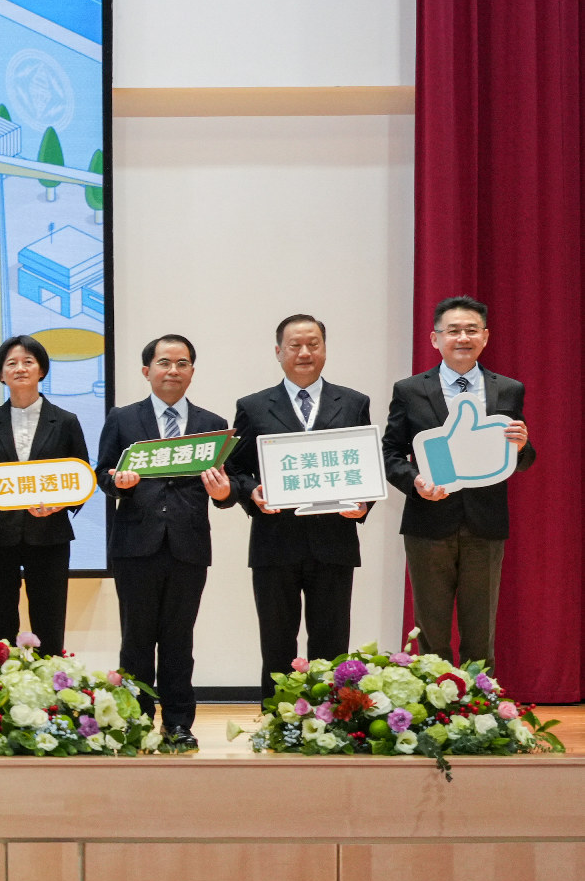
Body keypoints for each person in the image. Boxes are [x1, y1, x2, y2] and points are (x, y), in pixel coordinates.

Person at [94, 334, 236, 748]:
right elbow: (103, 472)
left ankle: (178, 723)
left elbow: (226, 488)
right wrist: (116, 483)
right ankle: (135, 720)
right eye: (164, 362)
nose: (172, 370)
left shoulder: (212, 424)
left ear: (192, 371)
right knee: (136, 639)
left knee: (179, 640)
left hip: (188, 546)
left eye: (182, 363)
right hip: (135, 546)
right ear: (146, 371)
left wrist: (224, 493)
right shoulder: (123, 418)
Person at [383, 294, 534, 666]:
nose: (462, 338)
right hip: (427, 521)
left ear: (485, 336)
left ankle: (479, 715)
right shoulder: (410, 390)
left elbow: (522, 460)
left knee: (480, 630)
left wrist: (522, 446)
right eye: (453, 331)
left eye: (471, 330)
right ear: (435, 339)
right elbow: (390, 453)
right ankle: (434, 713)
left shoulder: (509, 389)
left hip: (485, 523)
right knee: (431, 630)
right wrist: (415, 480)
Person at [227, 314, 373, 695]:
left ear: (325, 349)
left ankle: (330, 720)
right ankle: (280, 721)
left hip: (334, 542)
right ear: (279, 352)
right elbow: (236, 469)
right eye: (295, 345)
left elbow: (365, 467)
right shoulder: (253, 406)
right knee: (277, 644)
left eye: (314, 344)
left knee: (331, 644)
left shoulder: (355, 402)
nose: (305, 352)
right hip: (275, 543)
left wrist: (364, 504)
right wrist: (251, 492)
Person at [0, 334, 91, 658]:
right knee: (0, 624)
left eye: (28, 361)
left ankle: (49, 699)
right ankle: (2, 697)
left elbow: (82, 479)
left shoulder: (65, 422)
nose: (20, 368)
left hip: (49, 535)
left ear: (42, 370)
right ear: (1, 374)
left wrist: (62, 502)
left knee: (49, 623)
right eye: (11, 363)